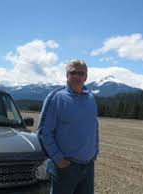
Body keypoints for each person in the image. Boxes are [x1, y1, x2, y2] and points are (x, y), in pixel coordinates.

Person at [37, 59, 99, 194]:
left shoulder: (91, 99)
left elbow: (94, 127)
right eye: (73, 72)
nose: (77, 76)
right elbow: (44, 133)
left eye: (81, 73)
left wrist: (95, 152)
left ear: (86, 77)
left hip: (88, 166)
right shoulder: (56, 98)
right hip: (66, 167)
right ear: (67, 75)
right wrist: (58, 159)